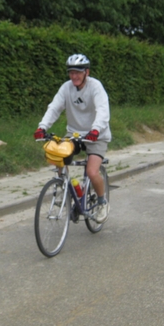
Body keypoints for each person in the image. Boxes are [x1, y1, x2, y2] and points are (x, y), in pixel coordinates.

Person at [34, 54, 111, 223]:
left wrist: (96, 130)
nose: (74, 76)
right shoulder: (66, 88)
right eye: (71, 72)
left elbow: (103, 110)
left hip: (96, 134)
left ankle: (101, 202)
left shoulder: (95, 86)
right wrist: (42, 127)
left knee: (91, 171)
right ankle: (65, 189)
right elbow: (54, 107)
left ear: (86, 72)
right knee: (58, 155)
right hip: (75, 134)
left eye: (78, 72)